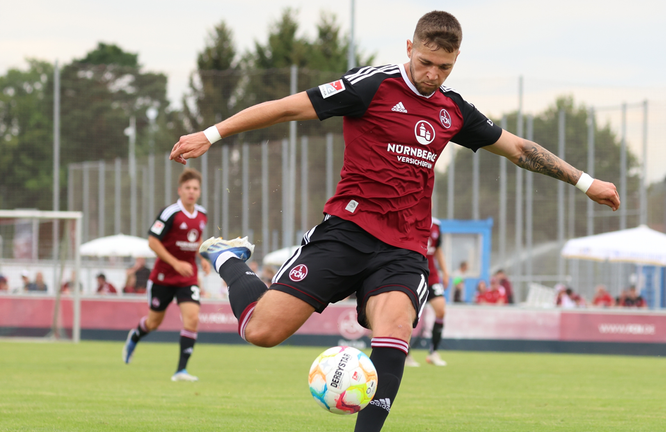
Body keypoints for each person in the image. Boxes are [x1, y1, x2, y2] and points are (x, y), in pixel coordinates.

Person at [169, 11, 619, 431]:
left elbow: (519, 149)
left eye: (444, 67)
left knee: (396, 328)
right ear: (409, 48)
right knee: (261, 332)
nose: (433, 75)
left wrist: (585, 182)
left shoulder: (453, 110)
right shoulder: (373, 86)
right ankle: (229, 260)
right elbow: (288, 108)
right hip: (345, 232)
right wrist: (211, 134)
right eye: (425, 63)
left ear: (455, 60)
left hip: (404, 247)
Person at [122, 168, 211, 382]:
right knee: (153, 323)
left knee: (192, 318)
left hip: (187, 277)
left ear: (199, 192)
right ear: (179, 190)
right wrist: (175, 262)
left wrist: (203, 257)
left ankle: (181, 371)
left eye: (195, 188)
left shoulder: (202, 215)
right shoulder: (170, 213)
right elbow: (153, 241)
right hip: (163, 276)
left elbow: (196, 239)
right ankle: (135, 335)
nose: (191, 192)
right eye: (187, 188)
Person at [421, 217, 451, 366]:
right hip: (413, 273)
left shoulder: (437, 225)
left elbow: (438, 249)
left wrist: (445, 272)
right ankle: (405, 354)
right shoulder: (409, 217)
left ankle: (433, 352)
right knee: (408, 316)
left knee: (441, 310)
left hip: (432, 276)